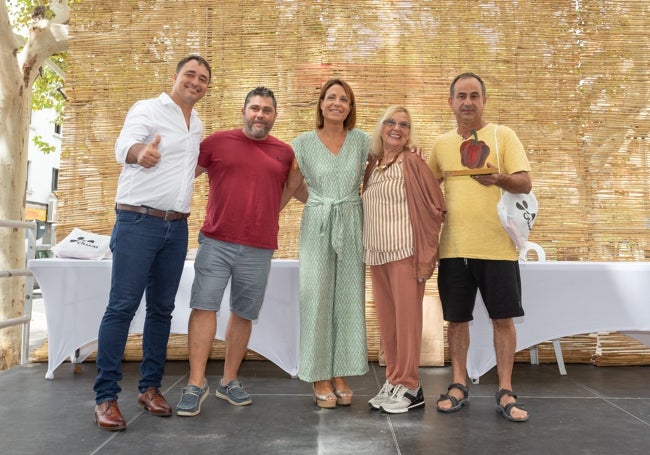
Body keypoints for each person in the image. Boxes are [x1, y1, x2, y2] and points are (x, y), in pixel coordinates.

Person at [93, 55, 212, 431]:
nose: (195, 82)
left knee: (161, 310)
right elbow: (124, 144)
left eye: (203, 78)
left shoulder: (197, 125)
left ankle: (150, 388)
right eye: (190, 75)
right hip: (137, 221)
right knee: (122, 308)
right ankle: (106, 397)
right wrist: (137, 153)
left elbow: (186, 168)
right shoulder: (148, 109)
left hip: (176, 228)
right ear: (176, 77)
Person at [175, 87, 294, 417]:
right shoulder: (216, 143)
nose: (260, 115)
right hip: (216, 241)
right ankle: (196, 384)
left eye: (267, 110)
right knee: (203, 306)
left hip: (259, 248)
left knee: (243, 313)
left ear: (274, 115)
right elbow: (182, 174)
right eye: (255, 108)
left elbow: (300, 190)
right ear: (244, 111)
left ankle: (228, 381)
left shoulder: (284, 153)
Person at [428, 72, 531, 422]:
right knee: (457, 320)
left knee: (503, 319)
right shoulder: (441, 145)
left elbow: (524, 182)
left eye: (474, 96)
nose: (467, 102)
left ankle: (505, 389)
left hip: (498, 247)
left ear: (483, 101)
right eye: (461, 96)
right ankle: (458, 384)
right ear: (451, 102)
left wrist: (498, 178)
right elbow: (427, 188)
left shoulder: (503, 136)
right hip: (454, 248)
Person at [287, 79, 370, 408]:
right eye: (331, 97)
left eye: (344, 99)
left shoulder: (363, 141)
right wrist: (319, 202)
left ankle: (341, 371)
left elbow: (379, 176)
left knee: (349, 301)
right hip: (317, 227)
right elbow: (293, 187)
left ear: (350, 107)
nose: (337, 103)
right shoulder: (303, 143)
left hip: (352, 224)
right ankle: (319, 373)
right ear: (320, 104)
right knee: (317, 299)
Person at [361, 106, 446, 414]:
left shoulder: (412, 162)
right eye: (391, 122)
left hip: (405, 254)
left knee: (407, 322)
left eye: (404, 125)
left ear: (410, 133)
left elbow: (437, 206)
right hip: (377, 253)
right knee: (389, 323)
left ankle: (411, 386)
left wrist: (426, 249)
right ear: (381, 127)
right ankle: (394, 380)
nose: (397, 128)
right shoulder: (372, 165)